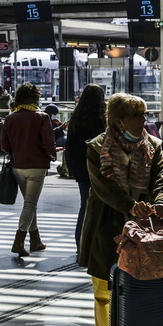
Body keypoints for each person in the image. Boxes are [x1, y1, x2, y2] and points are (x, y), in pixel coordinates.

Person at [79, 93, 163, 326]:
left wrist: (160, 203)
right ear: (119, 121)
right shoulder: (96, 148)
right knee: (104, 291)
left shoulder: (153, 145)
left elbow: (162, 178)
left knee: (144, 287)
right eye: (138, 115)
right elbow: (105, 189)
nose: (145, 120)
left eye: (144, 114)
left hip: (145, 227)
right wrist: (131, 206)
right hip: (105, 224)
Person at [0, 83, 56, 256]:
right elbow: (48, 142)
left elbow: (4, 146)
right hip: (37, 166)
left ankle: (36, 240)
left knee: (29, 205)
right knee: (30, 204)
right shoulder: (42, 117)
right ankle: (18, 241)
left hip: (17, 167)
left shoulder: (10, 118)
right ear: (35, 98)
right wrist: (52, 155)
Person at [63, 84, 107, 252]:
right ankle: (96, 244)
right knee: (102, 206)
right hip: (99, 168)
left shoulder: (76, 118)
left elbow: (71, 145)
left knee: (84, 205)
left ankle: (80, 244)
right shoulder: (102, 119)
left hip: (81, 168)